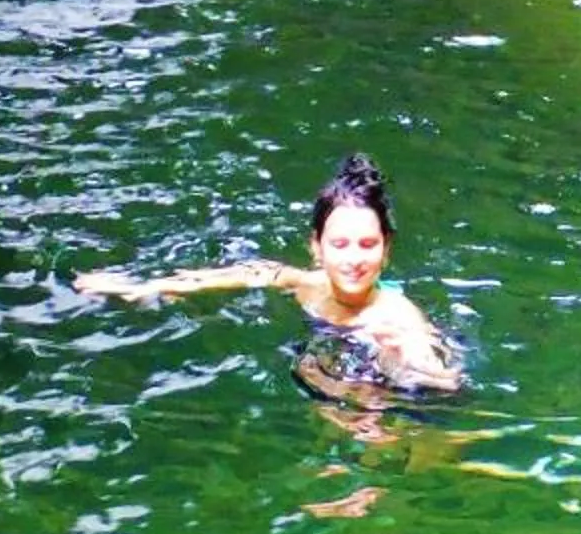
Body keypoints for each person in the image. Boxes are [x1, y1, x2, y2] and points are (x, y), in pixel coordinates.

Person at [76, 151, 465, 395]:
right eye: (340, 244)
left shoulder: (395, 316)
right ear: (316, 248)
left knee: (315, 373)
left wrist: (408, 356)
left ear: (386, 250)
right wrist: (148, 286)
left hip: (379, 402)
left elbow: (446, 383)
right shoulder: (308, 285)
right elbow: (248, 274)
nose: (353, 259)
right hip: (330, 374)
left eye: (367, 244)